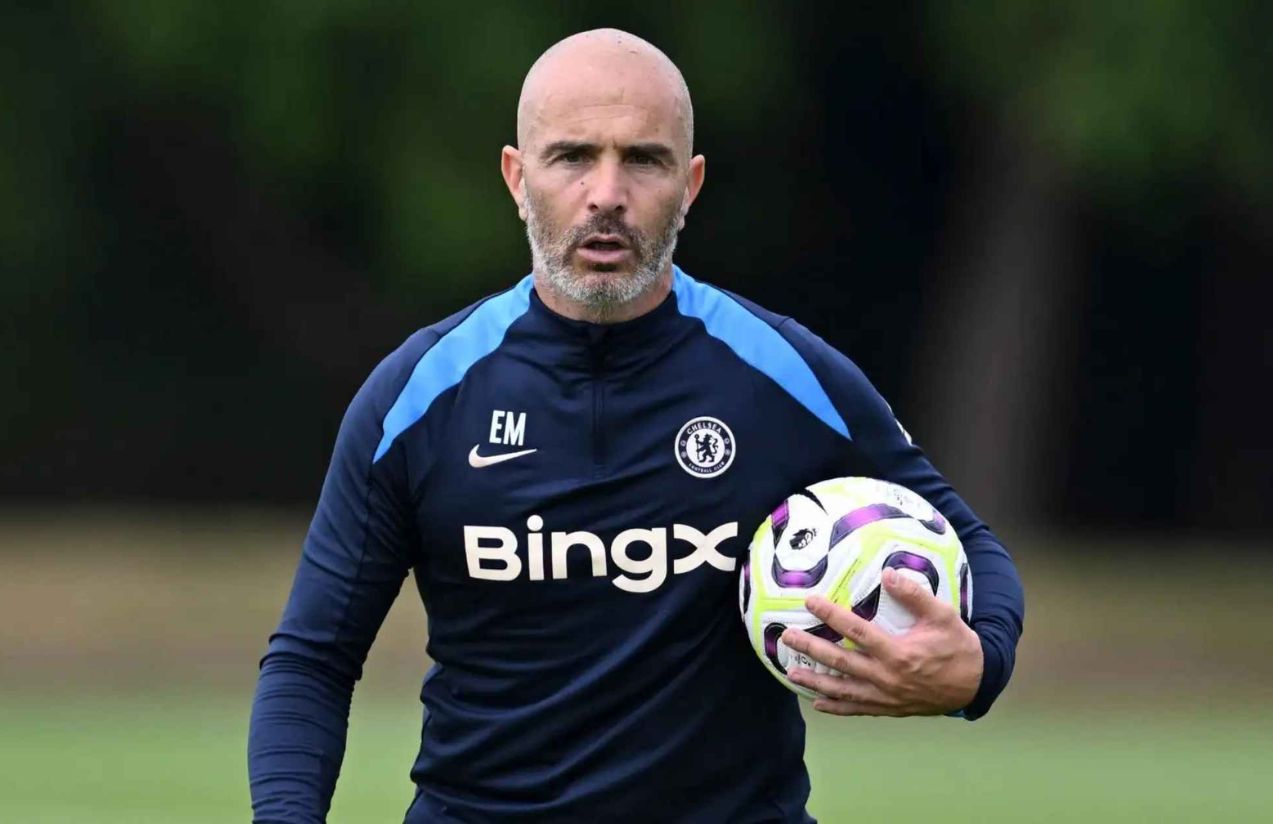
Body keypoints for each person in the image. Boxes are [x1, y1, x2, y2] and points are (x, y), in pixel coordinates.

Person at [248, 28, 1025, 823]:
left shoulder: (787, 376)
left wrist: (977, 667)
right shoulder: (416, 398)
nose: (606, 193)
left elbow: (974, 549)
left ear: (689, 185)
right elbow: (313, 660)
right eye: (572, 156)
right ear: (518, 178)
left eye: (643, 160)